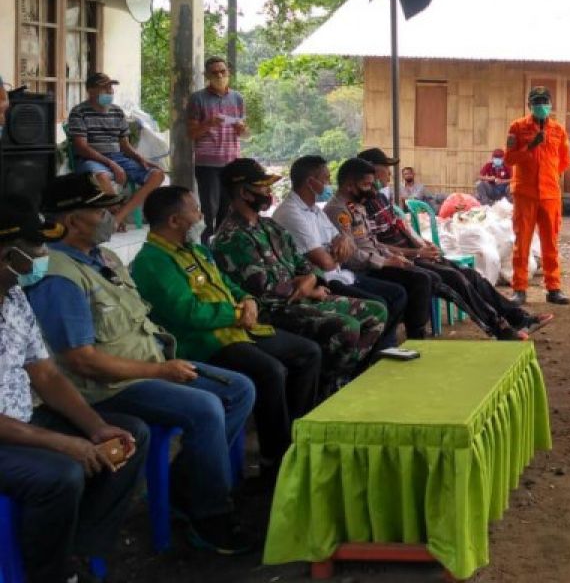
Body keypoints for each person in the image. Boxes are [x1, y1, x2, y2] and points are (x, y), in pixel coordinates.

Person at [27, 174, 257, 554]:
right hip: (107, 388)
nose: (111, 215)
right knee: (205, 407)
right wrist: (160, 371)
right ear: (71, 220)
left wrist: (164, 363)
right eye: (100, 209)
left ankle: (187, 488)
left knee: (238, 389)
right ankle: (210, 518)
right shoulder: (59, 277)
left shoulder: (106, 258)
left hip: (149, 366)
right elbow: (81, 362)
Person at [129, 184, 323, 489]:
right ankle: (275, 462)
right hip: (203, 343)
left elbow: (228, 285)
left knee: (307, 352)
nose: (201, 216)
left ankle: (295, 438)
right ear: (174, 221)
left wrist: (247, 301)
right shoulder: (152, 262)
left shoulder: (195, 249)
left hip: (239, 330)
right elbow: (188, 313)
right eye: (194, 211)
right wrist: (236, 313)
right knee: (270, 372)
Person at [0, 202, 149, 583]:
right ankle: (48, 574)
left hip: (22, 420)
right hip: (8, 434)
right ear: (6, 254)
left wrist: (96, 428)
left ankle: (81, 547)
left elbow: (46, 374)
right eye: (35, 248)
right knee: (61, 475)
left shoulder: (14, 298)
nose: (44, 256)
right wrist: (62, 443)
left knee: (128, 438)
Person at [212, 158, 388, 395]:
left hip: (304, 297)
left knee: (376, 312)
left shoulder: (269, 227)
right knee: (347, 327)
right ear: (244, 193)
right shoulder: (232, 237)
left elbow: (304, 264)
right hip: (272, 311)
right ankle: (328, 386)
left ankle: (335, 379)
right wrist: (307, 287)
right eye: (263, 187)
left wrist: (310, 281)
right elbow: (263, 292)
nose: (269, 192)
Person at [327, 158, 547, 340]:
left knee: (469, 274)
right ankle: (499, 328)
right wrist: (404, 257)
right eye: (375, 179)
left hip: (397, 256)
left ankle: (516, 317)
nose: (381, 182)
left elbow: (388, 235)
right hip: (376, 265)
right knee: (449, 279)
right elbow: (361, 252)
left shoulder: (370, 202)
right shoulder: (343, 209)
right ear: (352, 184)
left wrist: (419, 246)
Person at [272, 154, 414, 346]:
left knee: (398, 293)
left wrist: (341, 243)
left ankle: (382, 349)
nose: (329, 183)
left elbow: (344, 240)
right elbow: (325, 263)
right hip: (322, 281)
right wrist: (337, 251)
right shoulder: (291, 213)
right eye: (325, 179)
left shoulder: (314, 210)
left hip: (341, 273)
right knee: (380, 304)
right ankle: (372, 356)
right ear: (310, 182)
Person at [66, 72, 164, 225]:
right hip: (91, 158)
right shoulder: (79, 112)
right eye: (104, 88)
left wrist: (141, 159)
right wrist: (111, 164)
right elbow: (81, 147)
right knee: (101, 177)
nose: (110, 91)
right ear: (90, 90)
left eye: (111, 87)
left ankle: (118, 216)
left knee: (157, 174)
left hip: (118, 157)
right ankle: (114, 215)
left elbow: (124, 145)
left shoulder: (117, 112)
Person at [504, 86, 570, 306]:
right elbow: (509, 159)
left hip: (550, 194)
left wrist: (546, 176)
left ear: (551, 104)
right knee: (522, 242)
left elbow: (564, 162)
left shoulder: (559, 131)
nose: (541, 105)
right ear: (529, 105)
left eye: (544, 101)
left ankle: (554, 288)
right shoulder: (517, 127)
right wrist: (530, 148)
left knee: (550, 242)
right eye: (536, 101)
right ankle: (519, 289)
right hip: (525, 193)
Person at [187, 56, 247, 243]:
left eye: (223, 71)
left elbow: (244, 132)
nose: (220, 75)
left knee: (227, 207)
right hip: (207, 162)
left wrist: (242, 129)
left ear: (228, 72)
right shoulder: (197, 99)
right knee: (209, 208)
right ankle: (205, 245)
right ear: (207, 75)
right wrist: (209, 123)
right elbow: (191, 133)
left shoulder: (237, 98)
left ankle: (221, 245)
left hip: (232, 161)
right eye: (215, 72)